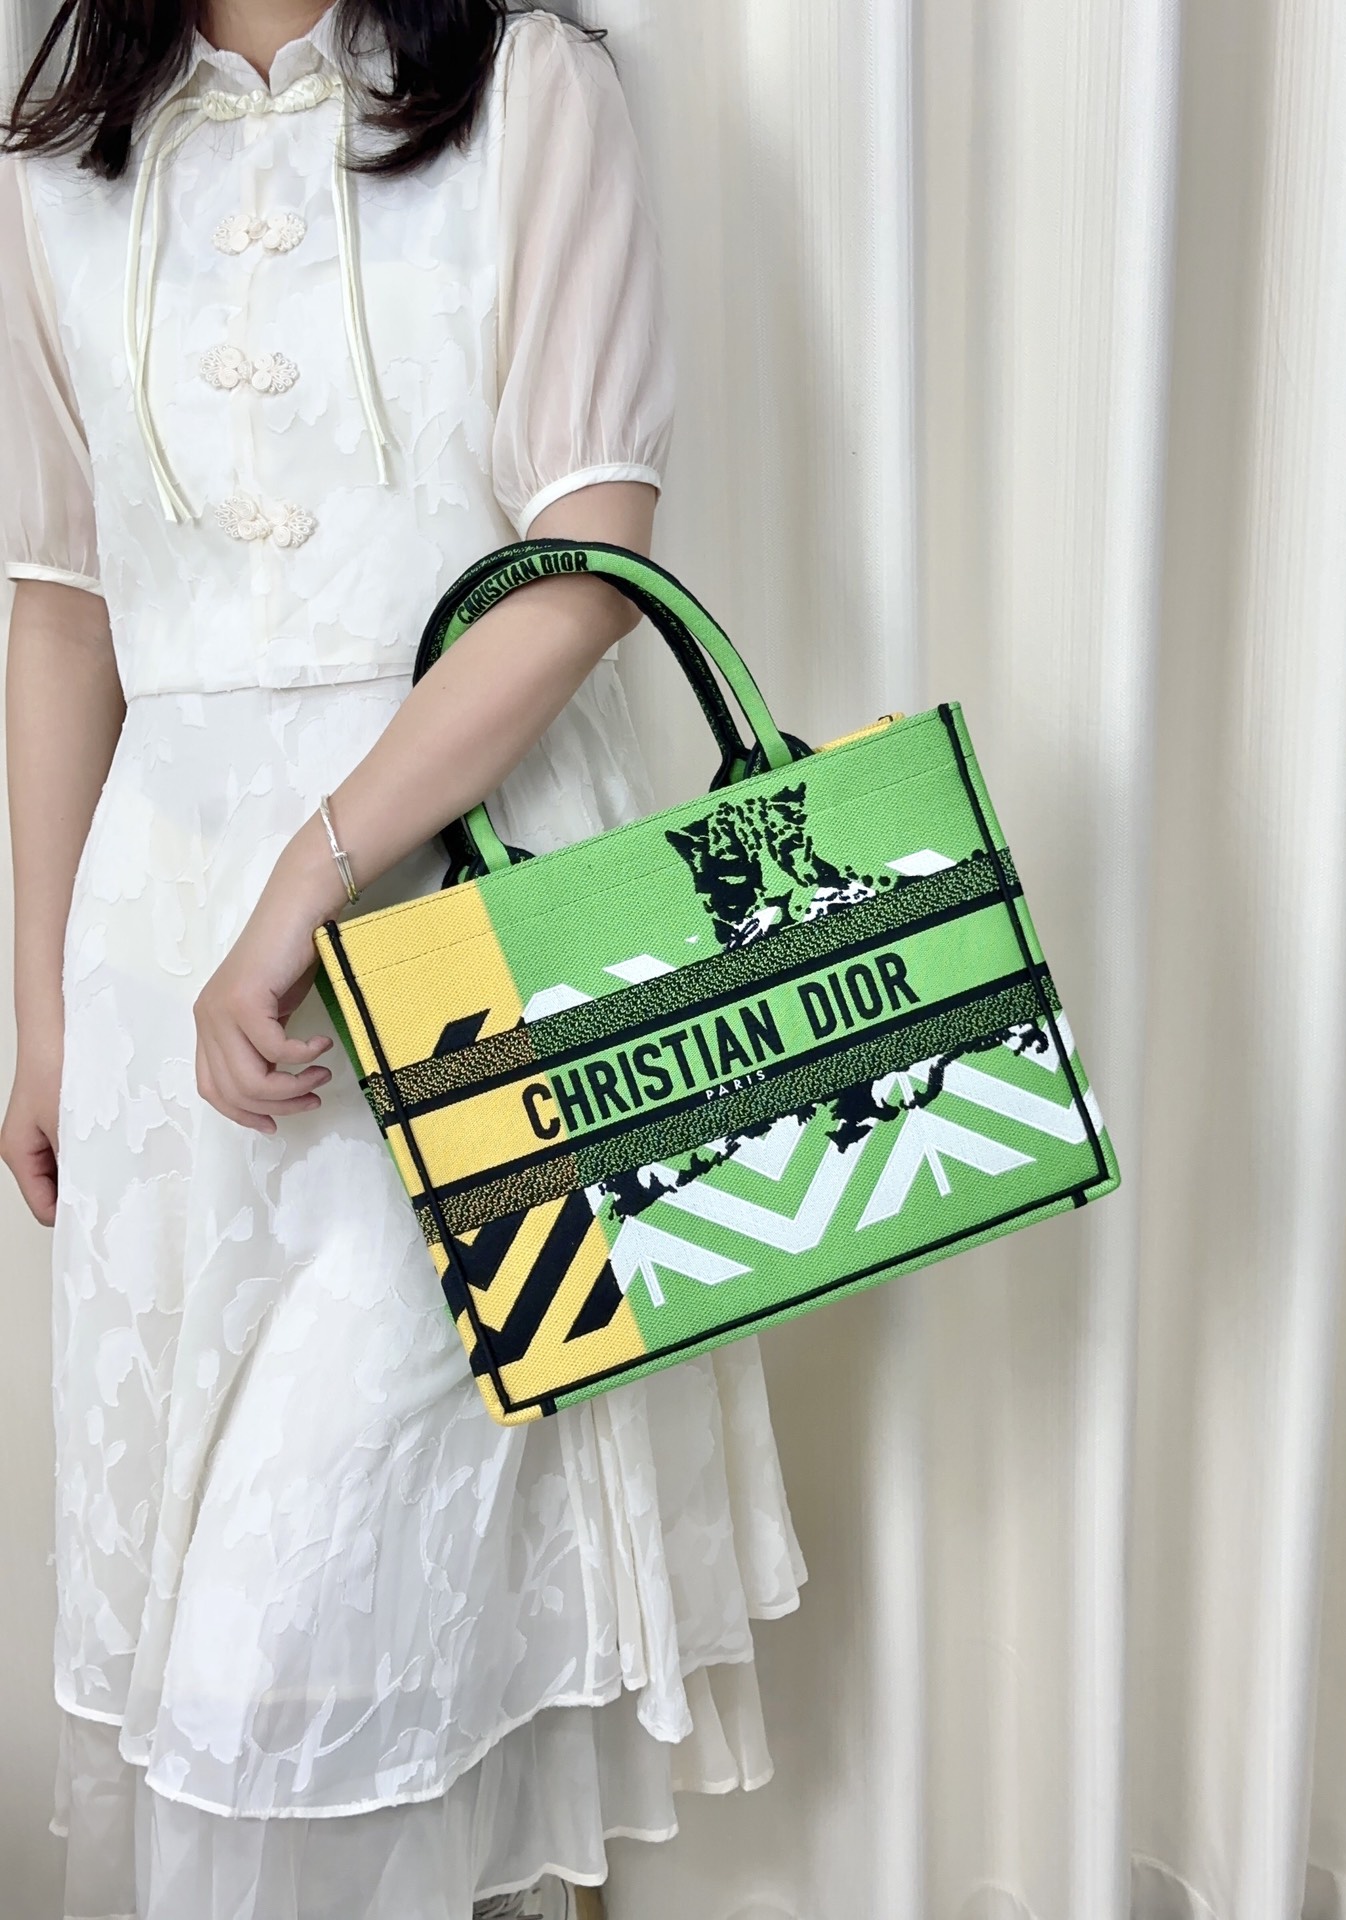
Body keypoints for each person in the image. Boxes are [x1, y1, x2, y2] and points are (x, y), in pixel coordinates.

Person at [0, 2, 807, 1913]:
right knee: (288, 1659)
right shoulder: (53, 164)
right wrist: (39, 1013)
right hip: (157, 989)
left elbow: (590, 557)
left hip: (482, 952)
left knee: (288, 1658)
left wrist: (311, 880)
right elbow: (62, 606)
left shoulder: (532, 90)